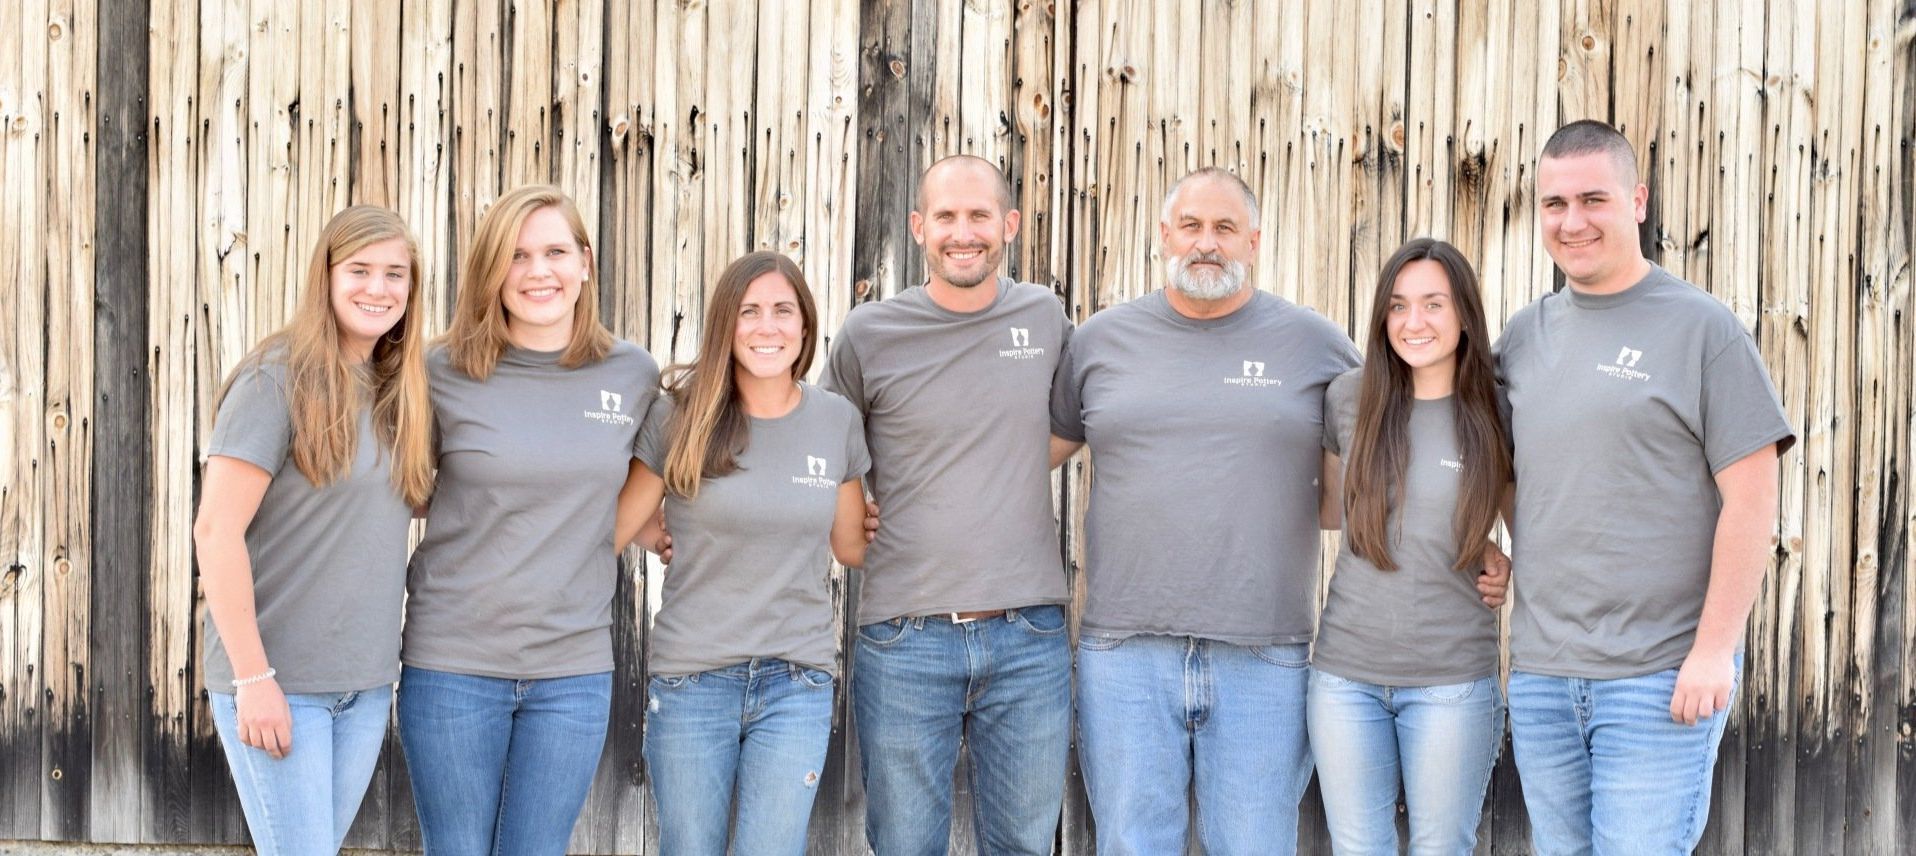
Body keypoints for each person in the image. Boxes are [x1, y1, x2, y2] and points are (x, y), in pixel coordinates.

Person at [1497, 119, 1793, 853]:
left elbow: (1753, 499)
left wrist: (1713, 650)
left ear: (1637, 200)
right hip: (1542, 675)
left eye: (1593, 199)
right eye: (1554, 204)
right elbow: (1504, 471)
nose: (1573, 222)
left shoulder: (1702, 329)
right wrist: (1502, 549)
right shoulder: (1523, 336)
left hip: (1659, 677)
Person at [1048, 167, 1363, 854]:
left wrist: (1478, 541)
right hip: (1125, 650)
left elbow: (1397, 449)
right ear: (1165, 235)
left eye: (1225, 229)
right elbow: (1022, 459)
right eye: (1191, 226)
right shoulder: (1099, 342)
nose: (1207, 244)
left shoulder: (1315, 344)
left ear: (1253, 241)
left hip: (1265, 650)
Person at [396, 185, 661, 854]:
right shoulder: (439, 370)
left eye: (553, 251)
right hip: (453, 662)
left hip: (571, 670)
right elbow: (401, 487)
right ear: (490, 270)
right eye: (515, 255)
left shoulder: (631, 374)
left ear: (585, 263)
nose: (537, 271)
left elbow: (657, 477)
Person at [821, 154, 1073, 855]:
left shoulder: (1045, 317)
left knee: (1023, 844)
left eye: (980, 216)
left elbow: (1074, 423)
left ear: (1009, 225)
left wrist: (995, 470)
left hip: (1029, 637)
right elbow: (816, 441)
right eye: (947, 217)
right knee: (904, 844)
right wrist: (852, 513)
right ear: (918, 228)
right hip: (905, 637)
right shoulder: (869, 334)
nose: (964, 233)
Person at [192, 205, 434, 855]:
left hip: (363, 683)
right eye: (359, 270)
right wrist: (253, 679)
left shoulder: (395, 390)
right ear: (324, 277)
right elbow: (215, 530)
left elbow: (406, 504)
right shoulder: (276, 378)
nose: (378, 289)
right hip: (281, 681)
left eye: (395, 274)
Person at [612, 250, 870, 855]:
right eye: (749, 311)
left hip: (795, 680)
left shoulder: (836, 422)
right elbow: (616, 525)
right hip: (692, 679)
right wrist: (655, 531)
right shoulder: (680, 415)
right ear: (725, 325)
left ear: (806, 325)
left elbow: (851, 545)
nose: (767, 326)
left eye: (783, 310)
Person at [1308, 237, 1510, 855]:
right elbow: (1329, 514)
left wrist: (1500, 556)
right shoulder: (1348, 396)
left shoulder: (1498, 408)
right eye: (1398, 306)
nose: (1413, 322)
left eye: (1433, 304)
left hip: (1451, 681)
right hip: (1345, 678)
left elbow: (1530, 518)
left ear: (1465, 315)